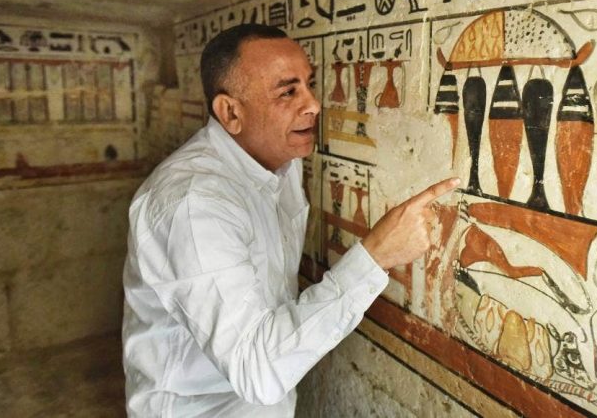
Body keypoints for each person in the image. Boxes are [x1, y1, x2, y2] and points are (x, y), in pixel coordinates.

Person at [122, 23, 458, 417]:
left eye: (308, 84)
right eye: (288, 91)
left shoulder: (280, 163)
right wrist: (374, 257)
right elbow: (258, 369)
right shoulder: (194, 205)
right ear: (231, 112)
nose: (313, 104)